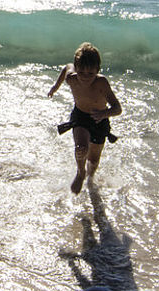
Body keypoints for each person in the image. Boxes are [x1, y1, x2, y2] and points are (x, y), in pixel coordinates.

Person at [47, 42, 121, 196]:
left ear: (97, 71)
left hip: (100, 120)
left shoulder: (102, 83)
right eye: (81, 72)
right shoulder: (72, 78)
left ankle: (90, 177)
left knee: (93, 160)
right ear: (77, 68)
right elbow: (67, 67)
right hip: (80, 116)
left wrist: (103, 114)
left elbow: (117, 108)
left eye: (91, 74)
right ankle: (80, 172)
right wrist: (55, 86)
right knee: (81, 148)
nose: (85, 77)